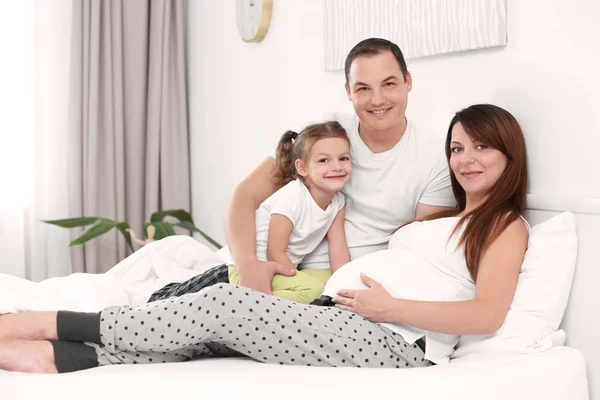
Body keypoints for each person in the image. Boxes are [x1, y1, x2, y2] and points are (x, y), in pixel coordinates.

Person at [0, 104, 529, 373]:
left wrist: (390, 309)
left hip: (402, 343)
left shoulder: (506, 225)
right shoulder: (438, 218)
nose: (467, 159)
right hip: (349, 313)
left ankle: (35, 322)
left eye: (482, 147)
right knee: (215, 338)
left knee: (228, 306)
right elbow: (253, 199)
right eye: (458, 148)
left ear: (509, 154)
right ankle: (54, 357)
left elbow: (486, 315)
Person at [147, 37, 455, 302]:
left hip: (332, 286)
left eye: (388, 84)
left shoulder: (435, 159)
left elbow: (418, 251)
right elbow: (243, 197)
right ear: (348, 91)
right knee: (173, 311)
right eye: (363, 88)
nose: (377, 100)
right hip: (264, 268)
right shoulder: (327, 134)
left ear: (408, 82)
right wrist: (249, 266)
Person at [226, 121, 351, 304]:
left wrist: (346, 281)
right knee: (315, 290)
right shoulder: (292, 197)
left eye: (343, 158)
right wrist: (299, 280)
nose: (337, 167)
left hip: (283, 267)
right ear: (302, 168)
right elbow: (274, 252)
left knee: (331, 281)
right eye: (324, 160)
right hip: (256, 270)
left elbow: (338, 245)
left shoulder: (338, 200)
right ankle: (239, 304)